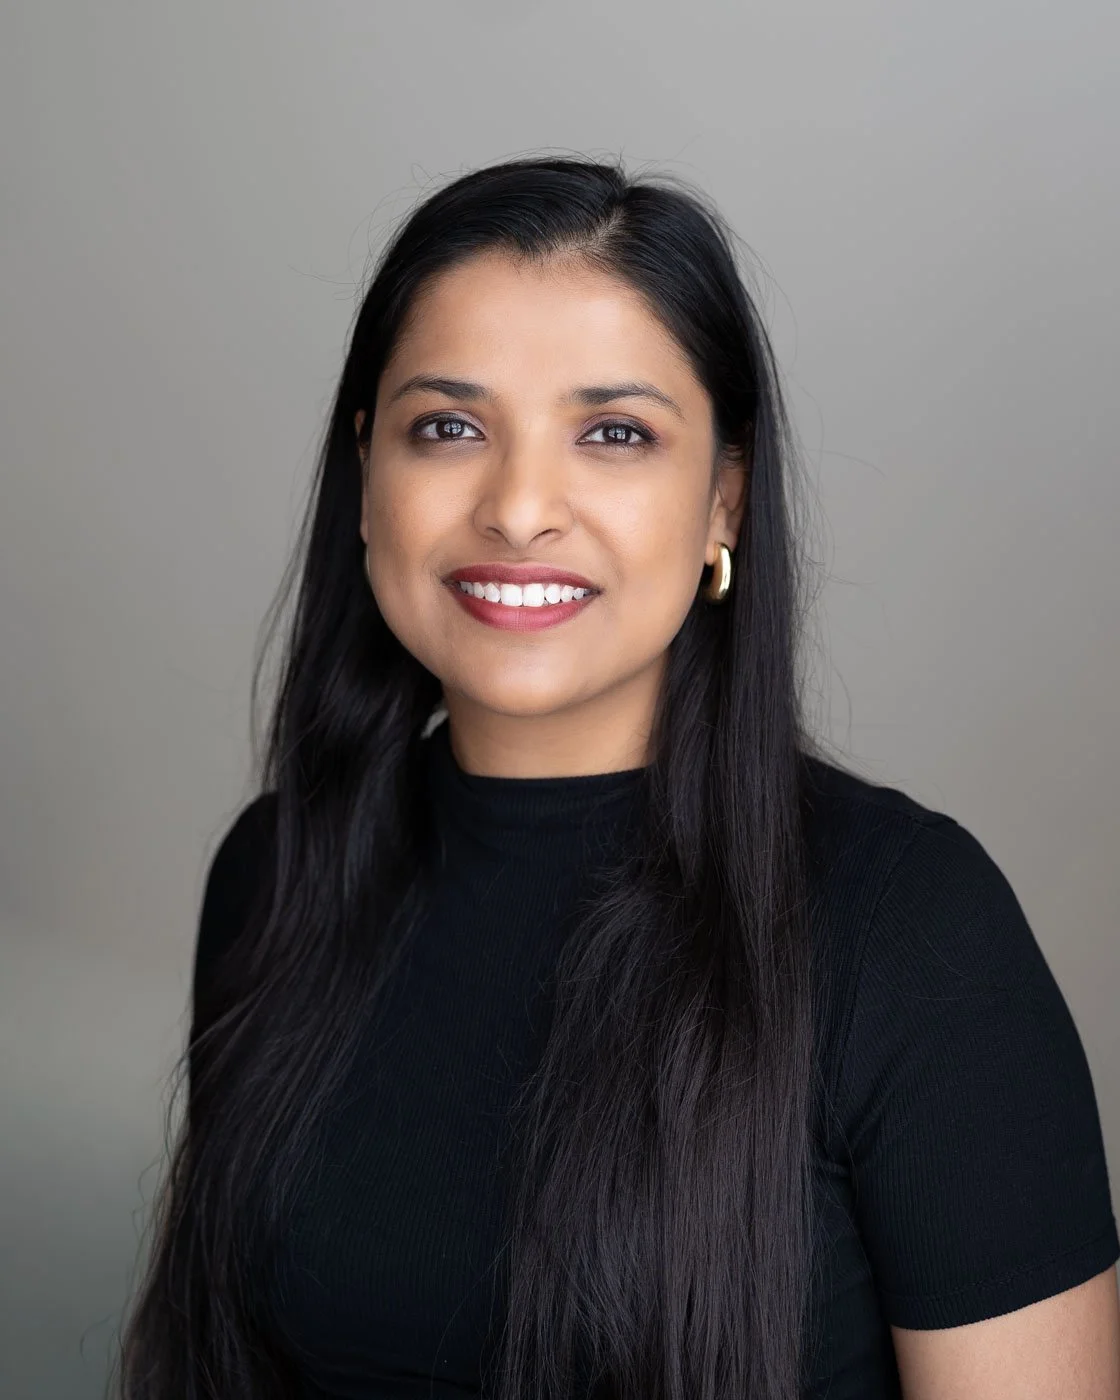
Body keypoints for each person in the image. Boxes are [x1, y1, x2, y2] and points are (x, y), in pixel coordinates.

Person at [116, 156, 1120, 1400]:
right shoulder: (278, 871)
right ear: (366, 473)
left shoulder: (909, 928)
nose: (520, 506)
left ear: (724, 501)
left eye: (613, 433)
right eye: (448, 426)